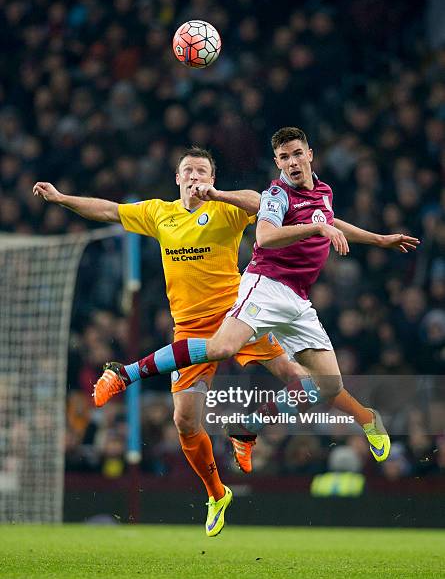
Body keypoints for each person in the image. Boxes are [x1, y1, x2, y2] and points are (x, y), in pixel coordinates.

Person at [91, 128, 420, 473]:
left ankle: (253, 428)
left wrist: (378, 239)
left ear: (310, 154)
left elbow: (328, 220)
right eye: (284, 158)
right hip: (265, 285)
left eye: (296, 154)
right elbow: (266, 234)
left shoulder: (323, 191)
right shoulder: (277, 195)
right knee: (221, 349)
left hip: (298, 299)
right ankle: (125, 373)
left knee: (324, 386)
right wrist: (316, 229)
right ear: (277, 163)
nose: (291, 162)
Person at [33, 146, 316, 537]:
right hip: (190, 330)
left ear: (211, 179)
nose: (196, 175)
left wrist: (219, 196)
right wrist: (63, 199)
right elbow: (110, 210)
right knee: (184, 421)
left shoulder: (225, 208)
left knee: (303, 384)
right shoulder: (159, 213)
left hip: (238, 317)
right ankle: (217, 494)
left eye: (203, 170)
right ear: (178, 178)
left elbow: (260, 201)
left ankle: (247, 427)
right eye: (189, 170)